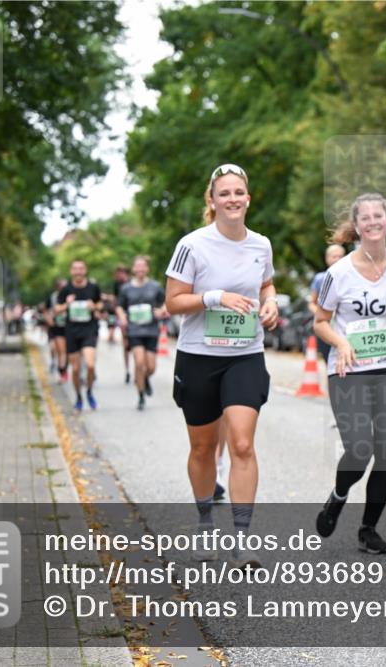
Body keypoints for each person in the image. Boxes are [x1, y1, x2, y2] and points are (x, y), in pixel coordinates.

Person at [165, 163, 279, 568]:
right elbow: (174, 301)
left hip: (245, 355)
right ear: (212, 202)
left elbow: (266, 282)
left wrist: (271, 302)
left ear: (248, 198)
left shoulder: (261, 245)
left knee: (243, 444)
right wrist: (214, 297)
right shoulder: (193, 245)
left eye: (238, 193)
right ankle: (204, 523)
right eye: (224, 193)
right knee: (202, 447)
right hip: (198, 356)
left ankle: (243, 537)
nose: (232, 199)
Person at [313, 192, 386, 554]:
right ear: (357, 225)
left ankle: (368, 528)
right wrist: (342, 344)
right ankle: (339, 494)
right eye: (366, 217)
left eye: (379, 215)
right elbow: (320, 323)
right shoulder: (338, 273)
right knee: (359, 448)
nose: (373, 221)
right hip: (348, 370)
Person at [117, 256, 168, 411]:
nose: (140, 269)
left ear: (147, 268)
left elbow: (165, 302)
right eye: (137, 266)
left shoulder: (155, 286)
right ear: (133, 269)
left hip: (152, 330)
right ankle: (140, 395)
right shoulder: (126, 288)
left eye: (143, 266)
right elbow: (119, 306)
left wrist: (162, 311)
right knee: (139, 363)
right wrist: (122, 317)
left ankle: (144, 379)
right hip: (134, 331)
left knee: (151, 367)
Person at [56, 260, 102, 411]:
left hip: (89, 330)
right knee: (75, 369)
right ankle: (78, 396)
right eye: (75, 269)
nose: (78, 271)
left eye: (81, 268)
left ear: (85, 270)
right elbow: (57, 309)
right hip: (72, 332)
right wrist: (66, 305)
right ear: (71, 271)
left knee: (90, 364)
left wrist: (94, 306)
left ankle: (89, 391)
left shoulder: (93, 287)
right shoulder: (66, 290)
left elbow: (100, 304)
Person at [309, 244, 347, 362]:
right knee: (330, 360)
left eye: (340, 256)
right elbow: (311, 303)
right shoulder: (321, 278)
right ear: (327, 259)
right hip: (327, 327)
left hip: (345, 328)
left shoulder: (350, 277)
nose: (337, 259)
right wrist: (323, 314)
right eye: (334, 256)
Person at [106, 265, 131, 382]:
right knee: (125, 343)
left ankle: (140, 368)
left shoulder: (132, 283)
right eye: (118, 273)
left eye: (121, 273)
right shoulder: (117, 285)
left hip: (135, 316)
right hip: (122, 315)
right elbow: (117, 300)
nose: (119, 275)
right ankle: (127, 369)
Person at [45, 279, 69, 381]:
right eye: (62, 287)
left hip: (70, 326)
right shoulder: (53, 297)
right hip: (56, 326)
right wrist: (49, 319)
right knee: (59, 350)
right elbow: (45, 309)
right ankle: (61, 371)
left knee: (69, 352)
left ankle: (64, 369)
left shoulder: (71, 296)